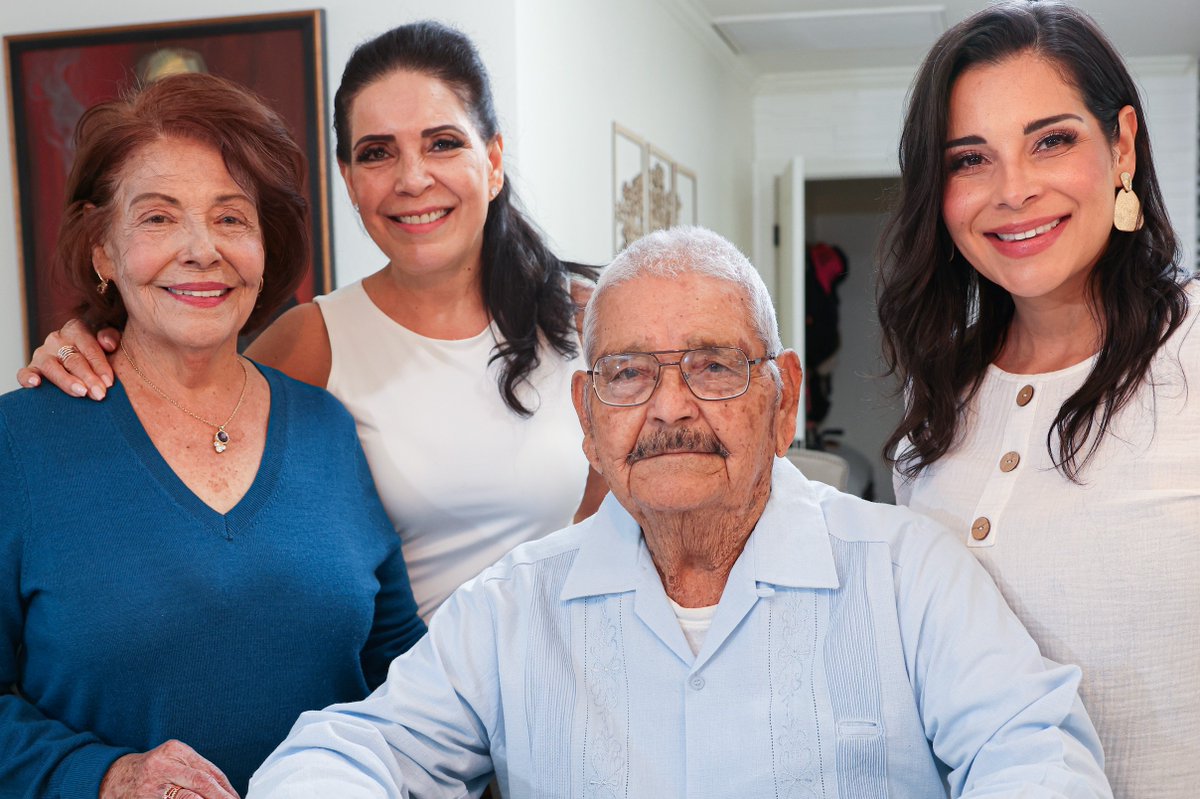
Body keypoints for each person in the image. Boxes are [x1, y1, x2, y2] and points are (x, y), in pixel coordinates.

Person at [247, 227, 1112, 799]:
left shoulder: (908, 572)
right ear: (588, 417)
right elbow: (351, 750)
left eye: (713, 365)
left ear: (784, 402)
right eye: (627, 373)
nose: (670, 408)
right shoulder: (514, 606)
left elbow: (1037, 752)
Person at [17, 21, 605, 621]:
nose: (412, 179)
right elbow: (187, 408)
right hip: (410, 697)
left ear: (494, 160)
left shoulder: (590, 319)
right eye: (377, 152)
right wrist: (87, 345)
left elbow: (619, 530)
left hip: (567, 675)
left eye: (443, 143)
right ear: (349, 181)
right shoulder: (313, 340)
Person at [0, 73, 426, 798]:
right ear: (103, 250)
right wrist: (105, 775)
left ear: (265, 247)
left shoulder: (325, 428)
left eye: (231, 218)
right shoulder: (18, 444)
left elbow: (401, 668)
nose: (202, 250)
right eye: (159, 218)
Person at [876, 2, 1200, 796]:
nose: (1013, 191)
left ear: (1122, 144)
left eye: (1051, 141)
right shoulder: (939, 393)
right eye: (969, 159)